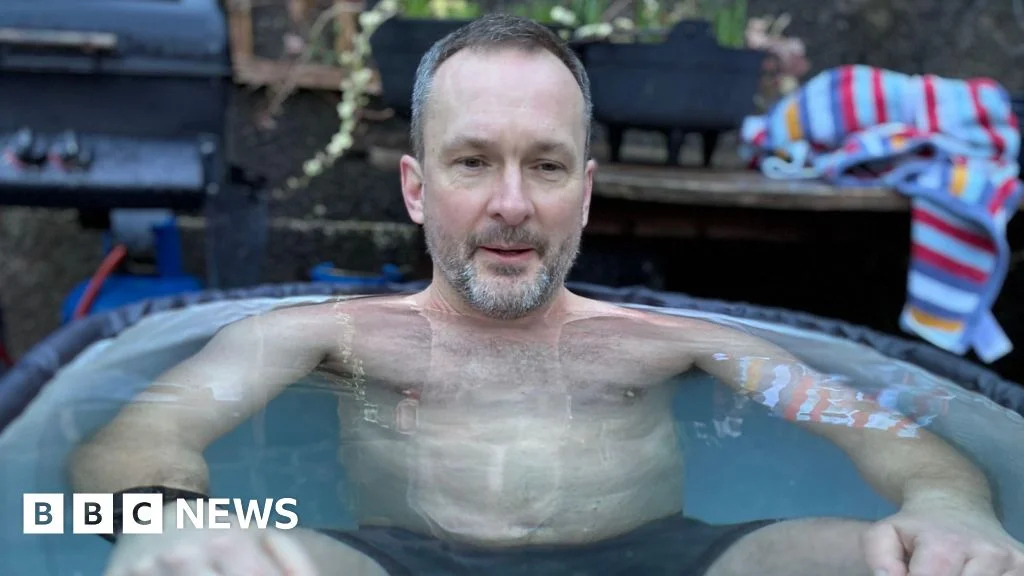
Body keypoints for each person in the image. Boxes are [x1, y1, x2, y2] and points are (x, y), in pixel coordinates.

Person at [70, 14, 1024, 576]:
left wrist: (955, 510)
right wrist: (170, 522)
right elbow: (127, 445)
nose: (512, 204)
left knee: (921, 563)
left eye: (547, 165)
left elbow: (895, 439)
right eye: (472, 162)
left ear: (586, 189)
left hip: (666, 560)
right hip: (399, 563)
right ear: (415, 187)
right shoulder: (328, 336)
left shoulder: (676, 341)